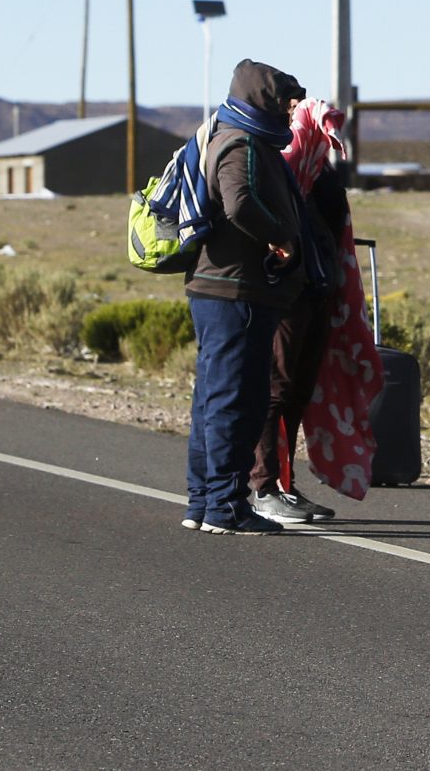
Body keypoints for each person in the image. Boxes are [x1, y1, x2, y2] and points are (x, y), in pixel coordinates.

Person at [185, 59, 307, 535]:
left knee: (215, 399)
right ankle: (225, 506)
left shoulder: (235, 136)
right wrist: (280, 237)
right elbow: (237, 202)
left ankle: (203, 502)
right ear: (261, 100)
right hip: (235, 290)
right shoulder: (240, 142)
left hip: (225, 288)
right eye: (284, 101)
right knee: (236, 400)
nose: (291, 110)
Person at [243, 97, 357, 526]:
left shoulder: (314, 167)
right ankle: (263, 486)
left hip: (315, 287)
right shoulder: (278, 162)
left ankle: (281, 486)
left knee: (296, 390)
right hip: (285, 292)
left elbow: (334, 217)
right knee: (277, 388)